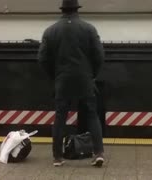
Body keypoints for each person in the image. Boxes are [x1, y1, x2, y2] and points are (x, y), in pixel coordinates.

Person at [38, 0, 105, 167]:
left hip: (62, 79)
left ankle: (57, 157)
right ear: (76, 9)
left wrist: (55, 76)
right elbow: (99, 56)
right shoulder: (89, 28)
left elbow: (42, 59)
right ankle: (98, 153)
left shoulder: (50, 31)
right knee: (91, 115)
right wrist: (92, 75)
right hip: (85, 78)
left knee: (60, 117)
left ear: (63, 10)